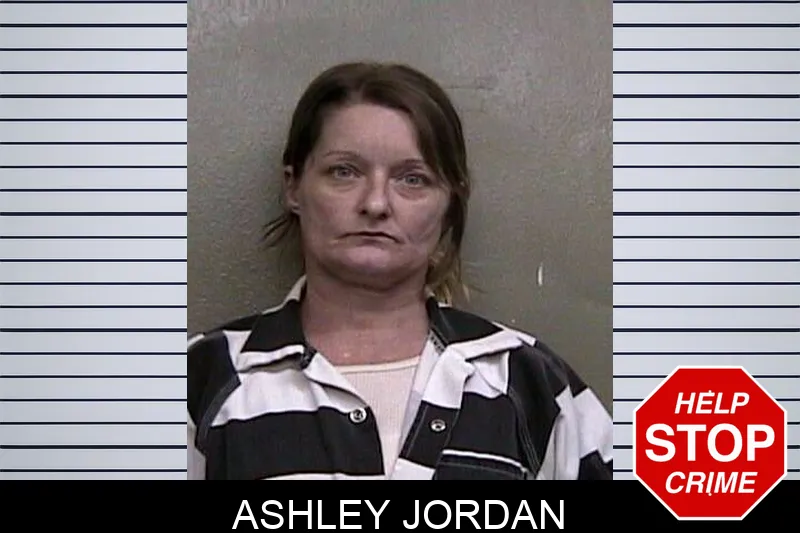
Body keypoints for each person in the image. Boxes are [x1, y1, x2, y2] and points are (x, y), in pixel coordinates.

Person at [187, 61, 613, 480]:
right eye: (344, 172)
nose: (375, 203)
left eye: (413, 179)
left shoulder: (524, 379)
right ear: (293, 186)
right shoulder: (204, 379)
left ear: (450, 203)